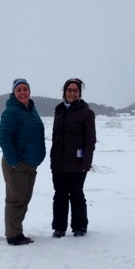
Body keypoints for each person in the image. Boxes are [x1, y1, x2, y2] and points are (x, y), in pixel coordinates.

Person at [0, 78, 46, 246]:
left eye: (25, 89)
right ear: (14, 93)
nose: (23, 92)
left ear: (30, 92)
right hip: (17, 164)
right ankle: (13, 236)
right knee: (15, 200)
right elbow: (4, 138)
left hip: (30, 164)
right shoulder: (11, 112)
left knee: (24, 199)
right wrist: (14, 162)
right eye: (19, 90)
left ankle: (17, 231)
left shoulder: (31, 110)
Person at [49, 77, 97, 238]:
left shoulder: (86, 113)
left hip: (77, 163)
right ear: (64, 92)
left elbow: (90, 140)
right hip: (58, 162)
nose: (72, 93)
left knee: (76, 194)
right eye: (69, 90)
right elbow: (55, 136)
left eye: (75, 90)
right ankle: (59, 227)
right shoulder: (59, 111)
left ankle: (79, 227)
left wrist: (86, 161)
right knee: (60, 195)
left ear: (80, 93)